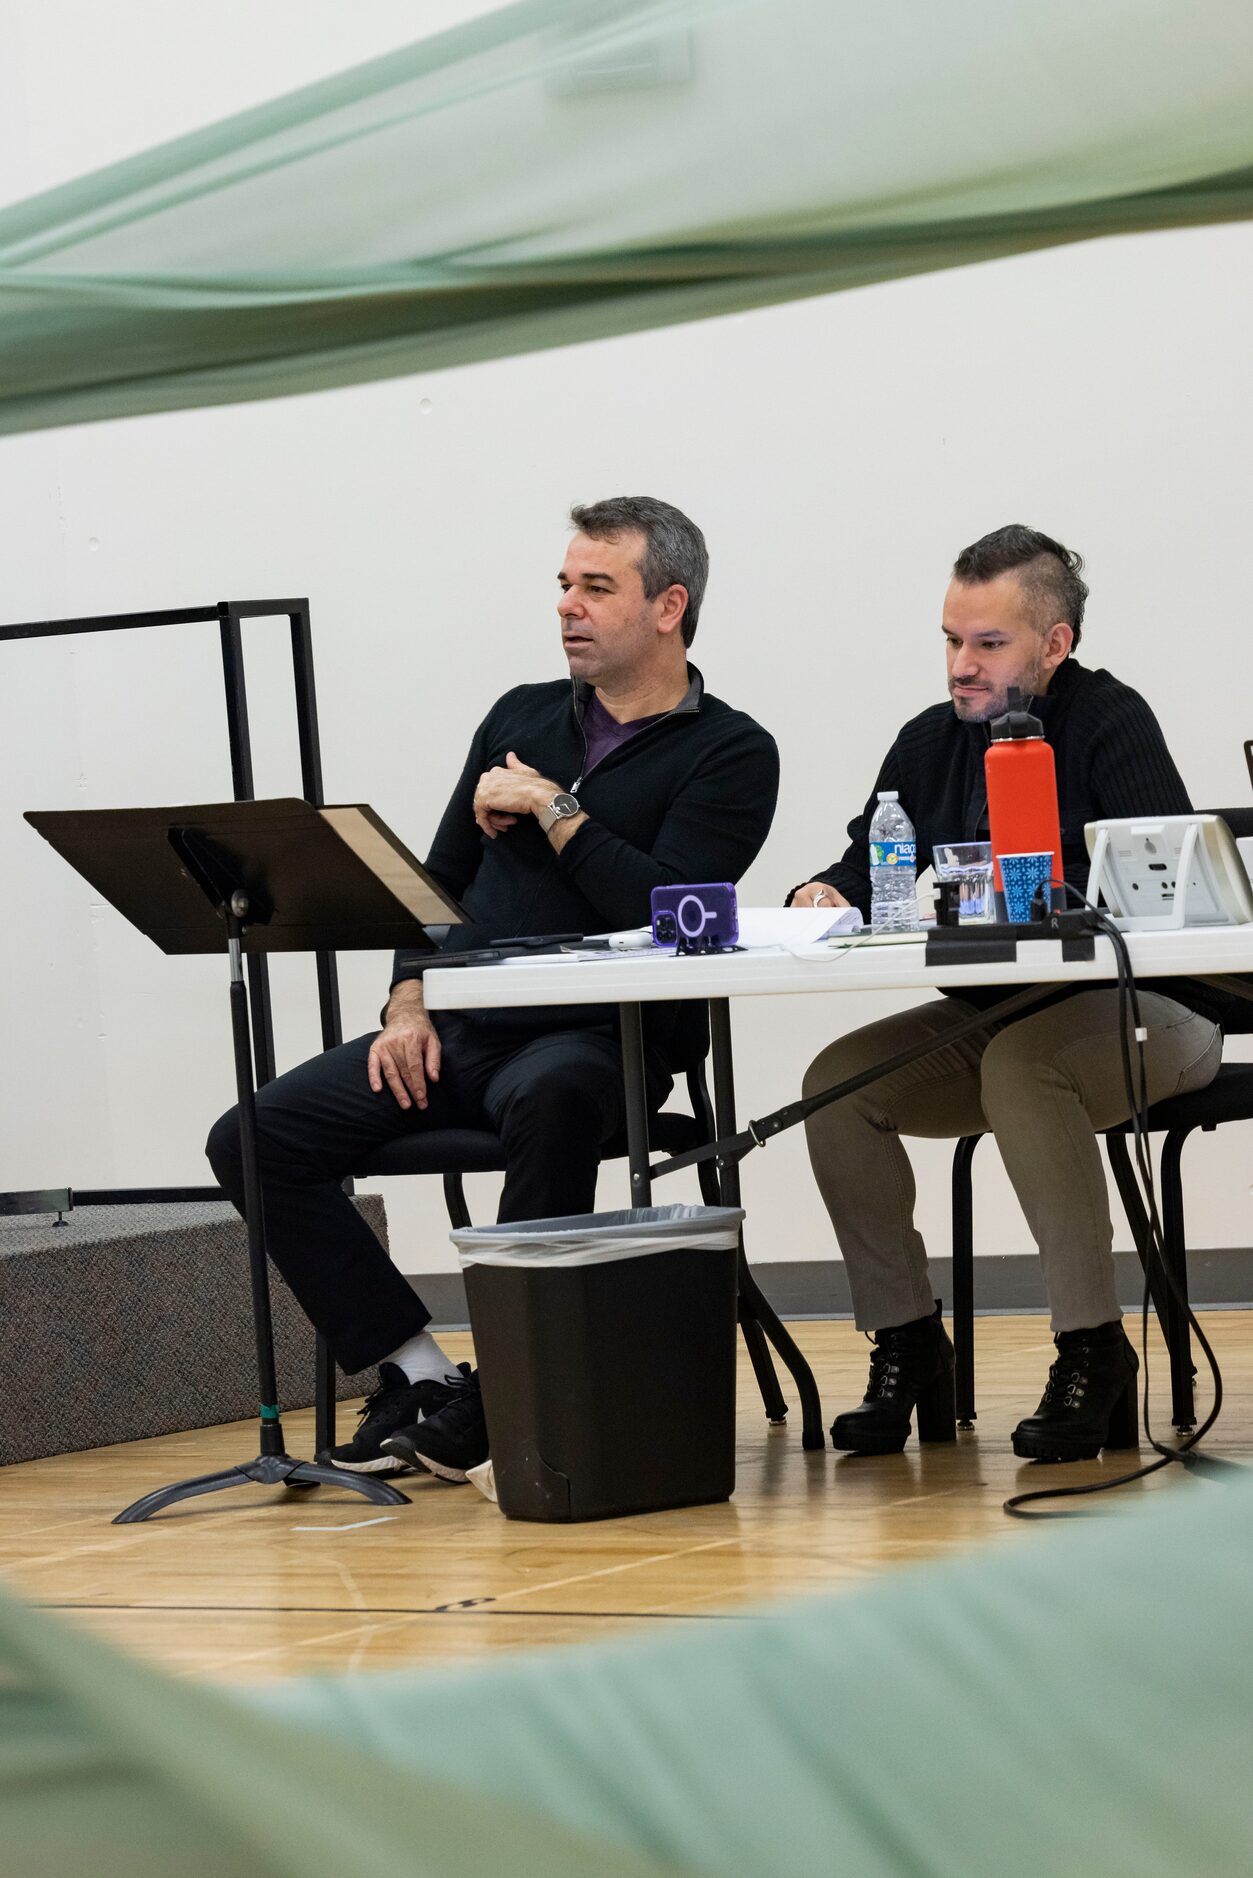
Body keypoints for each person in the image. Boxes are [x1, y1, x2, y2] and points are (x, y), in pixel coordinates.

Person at [207, 496, 779, 1484]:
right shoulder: (517, 717)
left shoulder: (730, 752)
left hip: (608, 1041)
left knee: (555, 1097)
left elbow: (663, 908)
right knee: (254, 1136)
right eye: (563, 584)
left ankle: (512, 1378)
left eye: (596, 587)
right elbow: (432, 885)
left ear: (667, 606)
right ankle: (422, 1374)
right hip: (464, 1026)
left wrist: (553, 807)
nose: (568, 606)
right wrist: (408, 1000)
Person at [791, 524, 1230, 1463]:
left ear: (1053, 645)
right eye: (951, 640)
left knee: (1023, 1071)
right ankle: (907, 1343)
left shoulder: (1108, 720)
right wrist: (819, 891)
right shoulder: (925, 740)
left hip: (1151, 1010)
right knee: (835, 1086)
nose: (961, 664)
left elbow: (1153, 882)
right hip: (994, 1015)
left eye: (987, 644)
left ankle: (1091, 1349)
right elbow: (866, 865)